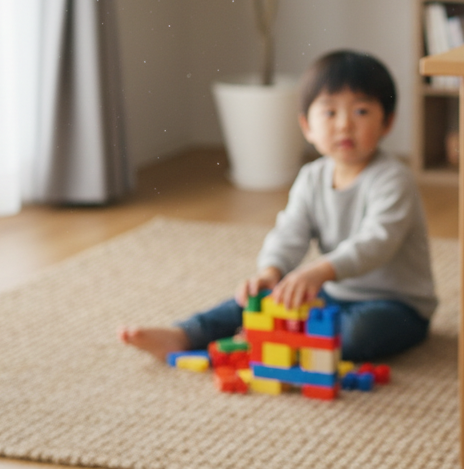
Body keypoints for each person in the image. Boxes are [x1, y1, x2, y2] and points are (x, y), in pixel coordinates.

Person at [121, 50, 437, 363]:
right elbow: (291, 231)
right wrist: (271, 271)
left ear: (388, 122)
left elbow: (377, 243)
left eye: (361, 112)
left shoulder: (394, 179)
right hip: (332, 294)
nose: (344, 125)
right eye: (329, 113)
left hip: (396, 304)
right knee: (256, 300)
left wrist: (319, 271)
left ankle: (280, 342)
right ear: (306, 126)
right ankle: (185, 334)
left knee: (356, 334)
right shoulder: (312, 177)